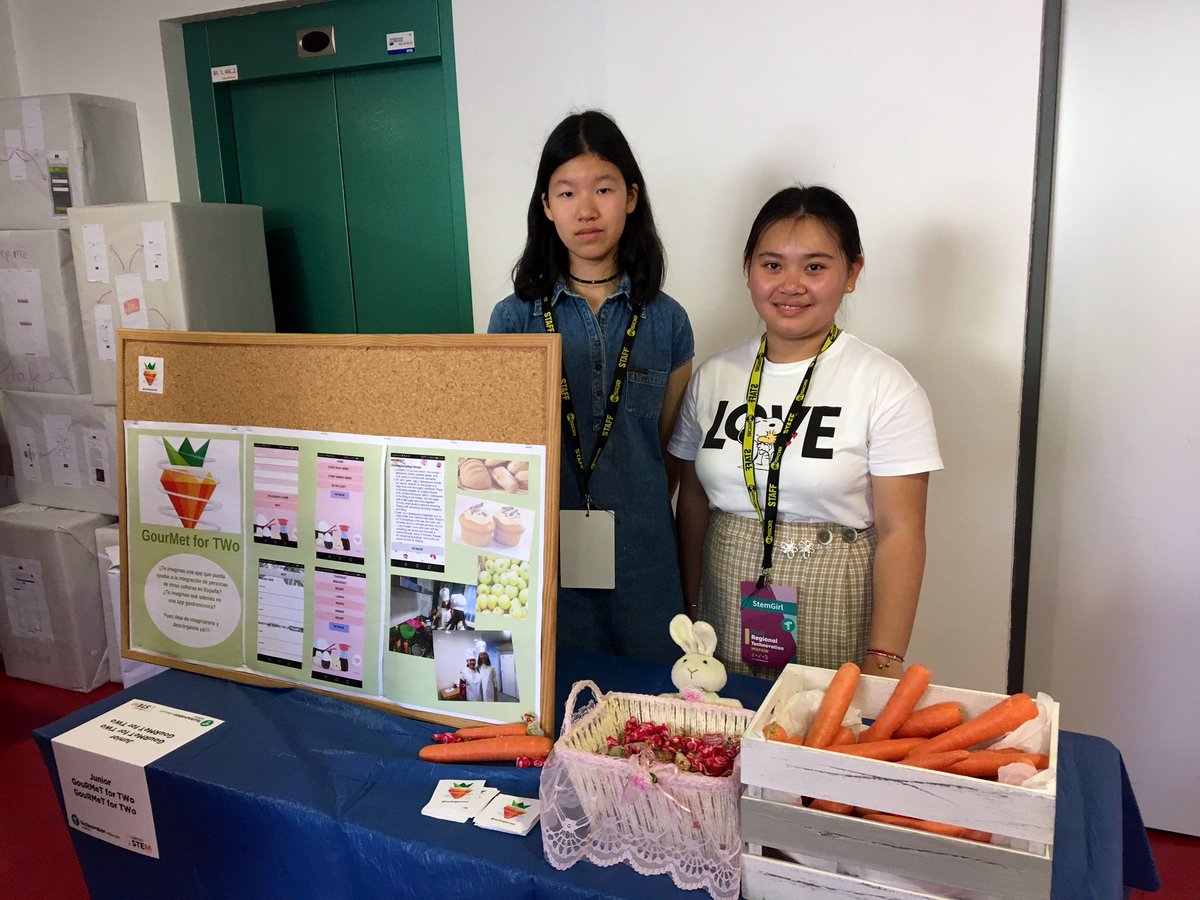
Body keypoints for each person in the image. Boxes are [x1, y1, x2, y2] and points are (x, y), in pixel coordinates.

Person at [669, 185, 942, 680]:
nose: (790, 284)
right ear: (748, 269)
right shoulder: (714, 376)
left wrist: (885, 660)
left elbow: (903, 531)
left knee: (815, 744)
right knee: (718, 732)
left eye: (815, 267)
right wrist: (689, 603)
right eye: (772, 265)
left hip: (834, 604)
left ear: (852, 272)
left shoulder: (885, 384)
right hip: (723, 602)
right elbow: (691, 501)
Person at [488, 110, 694, 664]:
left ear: (630, 197)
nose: (586, 209)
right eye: (567, 191)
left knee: (652, 712)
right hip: (543, 555)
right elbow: (503, 460)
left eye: (603, 189)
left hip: (646, 558)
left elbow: (670, 453)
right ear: (546, 205)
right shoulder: (513, 321)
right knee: (559, 707)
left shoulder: (668, 321)